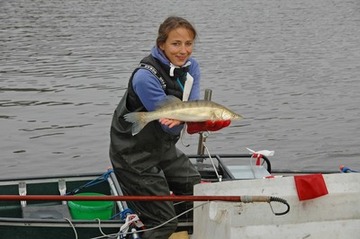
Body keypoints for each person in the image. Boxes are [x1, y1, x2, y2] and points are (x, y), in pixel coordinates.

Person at [109, 16, 230, 238]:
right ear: (161, 44)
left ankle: (187, 231)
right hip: (133, 154)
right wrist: (191, 119)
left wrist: (189, 118)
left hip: (162, 148)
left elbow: (191, 106)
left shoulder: (192, 68)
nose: (183, 51)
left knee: (194, 188)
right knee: (163, 223)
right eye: (176, 44)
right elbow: (170, 127)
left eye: (188, 44)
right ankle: (161, 225)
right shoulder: (145, 77)